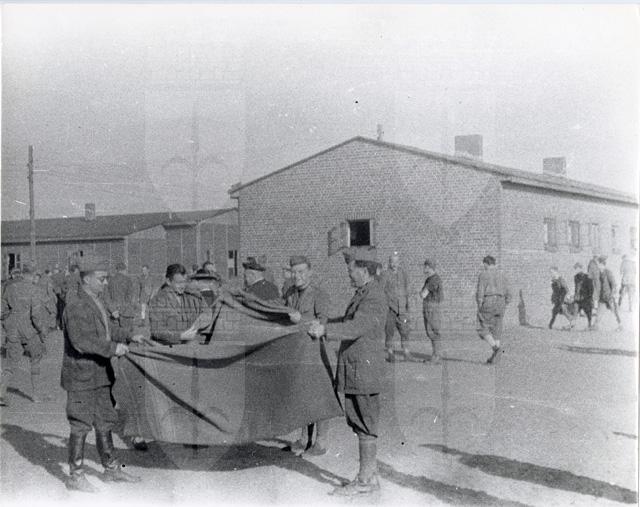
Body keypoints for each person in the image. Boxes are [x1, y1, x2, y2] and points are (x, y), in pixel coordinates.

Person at [308, 249, 387, 496]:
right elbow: (348, 319)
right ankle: (370, 476)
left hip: (363, 370)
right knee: (360, 420)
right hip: (358, 368)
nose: (349, 274)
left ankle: (364, 481)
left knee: (364, 421)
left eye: (351, 270)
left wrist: (325, 331)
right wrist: (326, 323)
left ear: (364, 270)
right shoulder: (365, 293)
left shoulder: (373, 296)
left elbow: (357, 326)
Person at [61, 259, 143, 492]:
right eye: (101, 279)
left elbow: (107, 330)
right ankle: (76, 477)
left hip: (100, 375)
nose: (106, 283)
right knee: (80, 425)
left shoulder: (96, 301)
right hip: (81, 377)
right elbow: (82, 341)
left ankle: (111, 469)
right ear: (87, 279)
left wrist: (128, 336)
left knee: (105, 421)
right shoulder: (76, 305)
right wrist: (113, 348)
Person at [283, 255, 331, 456]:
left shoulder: (319, 294)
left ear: (310, 272)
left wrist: (300, 320)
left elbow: (323, 323)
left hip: (314, 352)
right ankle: (304, 439)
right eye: (294, 272)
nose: (297, 276)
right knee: (303, 395)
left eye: (301, 271)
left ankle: (320, 441)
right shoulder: (290, 293)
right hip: (297, 351)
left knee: (318, 395)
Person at [0, 265, 51, 405]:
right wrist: (42, 331)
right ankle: (36, 395)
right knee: (36, 359)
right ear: (33, 276)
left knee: (11, 362)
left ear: (22, 274)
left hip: (12, 329)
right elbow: (36, 316)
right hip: (29, 331)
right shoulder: (35, 290)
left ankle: (1, 392)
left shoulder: (10, 288)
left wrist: (7, 323)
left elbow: (2, 310)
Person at [148, 263, 208, 344]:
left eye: (184, 282)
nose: (183, 286)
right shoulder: (158, 300)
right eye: (179, 283)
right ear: (168, 281)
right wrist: (180, 336)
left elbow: (206, 311)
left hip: (187, 346)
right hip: (166, 347)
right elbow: (156, 331)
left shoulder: (189, 296)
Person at [475, 255, 511, 365]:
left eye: (484, 265)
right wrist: (504, 303)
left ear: (486, 264)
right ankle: (495, 358)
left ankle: (496, 349)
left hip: (488, 301)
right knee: (497, 329)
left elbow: (480, 292)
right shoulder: (503, 274)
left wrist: (480, 305)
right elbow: (509, 294)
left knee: (481, 327)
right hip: (501, 302)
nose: (483, 266)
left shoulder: (483, 274)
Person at [381, 252, 413, 362]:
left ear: (399, 262)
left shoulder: (403, 274)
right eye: (392, 262)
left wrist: (407, 305)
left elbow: (407, 290)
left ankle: (406, 353)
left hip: (402, 308)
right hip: (390, 309)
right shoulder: (385, 274)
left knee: (405, 331)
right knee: (389, 331)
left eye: (396, 262)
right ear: (389, 263)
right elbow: (381, 290)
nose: (394, 264)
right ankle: (390, 353)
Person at [420, 259, 443, 364]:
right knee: (433, 331)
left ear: (429, 267)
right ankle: (436, 355)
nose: (424, 268)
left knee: (432, 331)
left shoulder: (433, 279)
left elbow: (423, 294)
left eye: (425, 266)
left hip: (431, 307)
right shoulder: (432, 279)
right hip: (431, 306)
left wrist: (421, 293)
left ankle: (436, 356)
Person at [105, 262, 138, 332]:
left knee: (115, 333)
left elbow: (107, 297)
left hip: (113, 312)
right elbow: (131, 297)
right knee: (127, 334)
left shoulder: (110, 280)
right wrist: (132, 309)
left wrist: (112, 310)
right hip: (126, 312)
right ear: (124, 270)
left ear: (116, 270)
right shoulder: (128, 280)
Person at [597, 256, 623, 331]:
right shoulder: (598, 273)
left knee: (614, 311)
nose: (598, 266)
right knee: (599, 313)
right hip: (602, 297)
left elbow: (613, 284)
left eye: (599, 264)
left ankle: (620, 325)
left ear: (603, 264)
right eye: (598, 264)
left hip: (609, 296)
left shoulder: (608, 272)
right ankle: (596, 326)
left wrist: (612, 294)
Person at [573, 263, 594, 329]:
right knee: (575, 311)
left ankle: (589, 325)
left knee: (588, 312)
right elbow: (576, 287)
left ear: (581, 268)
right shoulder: (575, 277)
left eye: (577, 269)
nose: (576, 270)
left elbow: (591, 289)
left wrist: (589, 298)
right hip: (577, 298)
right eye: (575, 269)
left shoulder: (588, 277)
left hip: (585, 298)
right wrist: (575, 295)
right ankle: (572, 325)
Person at [587, 255, 601, 329]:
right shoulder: (593, 265)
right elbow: (592, 275)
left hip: (594, 282)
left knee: (595, 297)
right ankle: (594, 310)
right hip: (594, 283)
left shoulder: (593, 264)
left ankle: (594, 309)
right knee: (594, 298)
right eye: (597, 259)